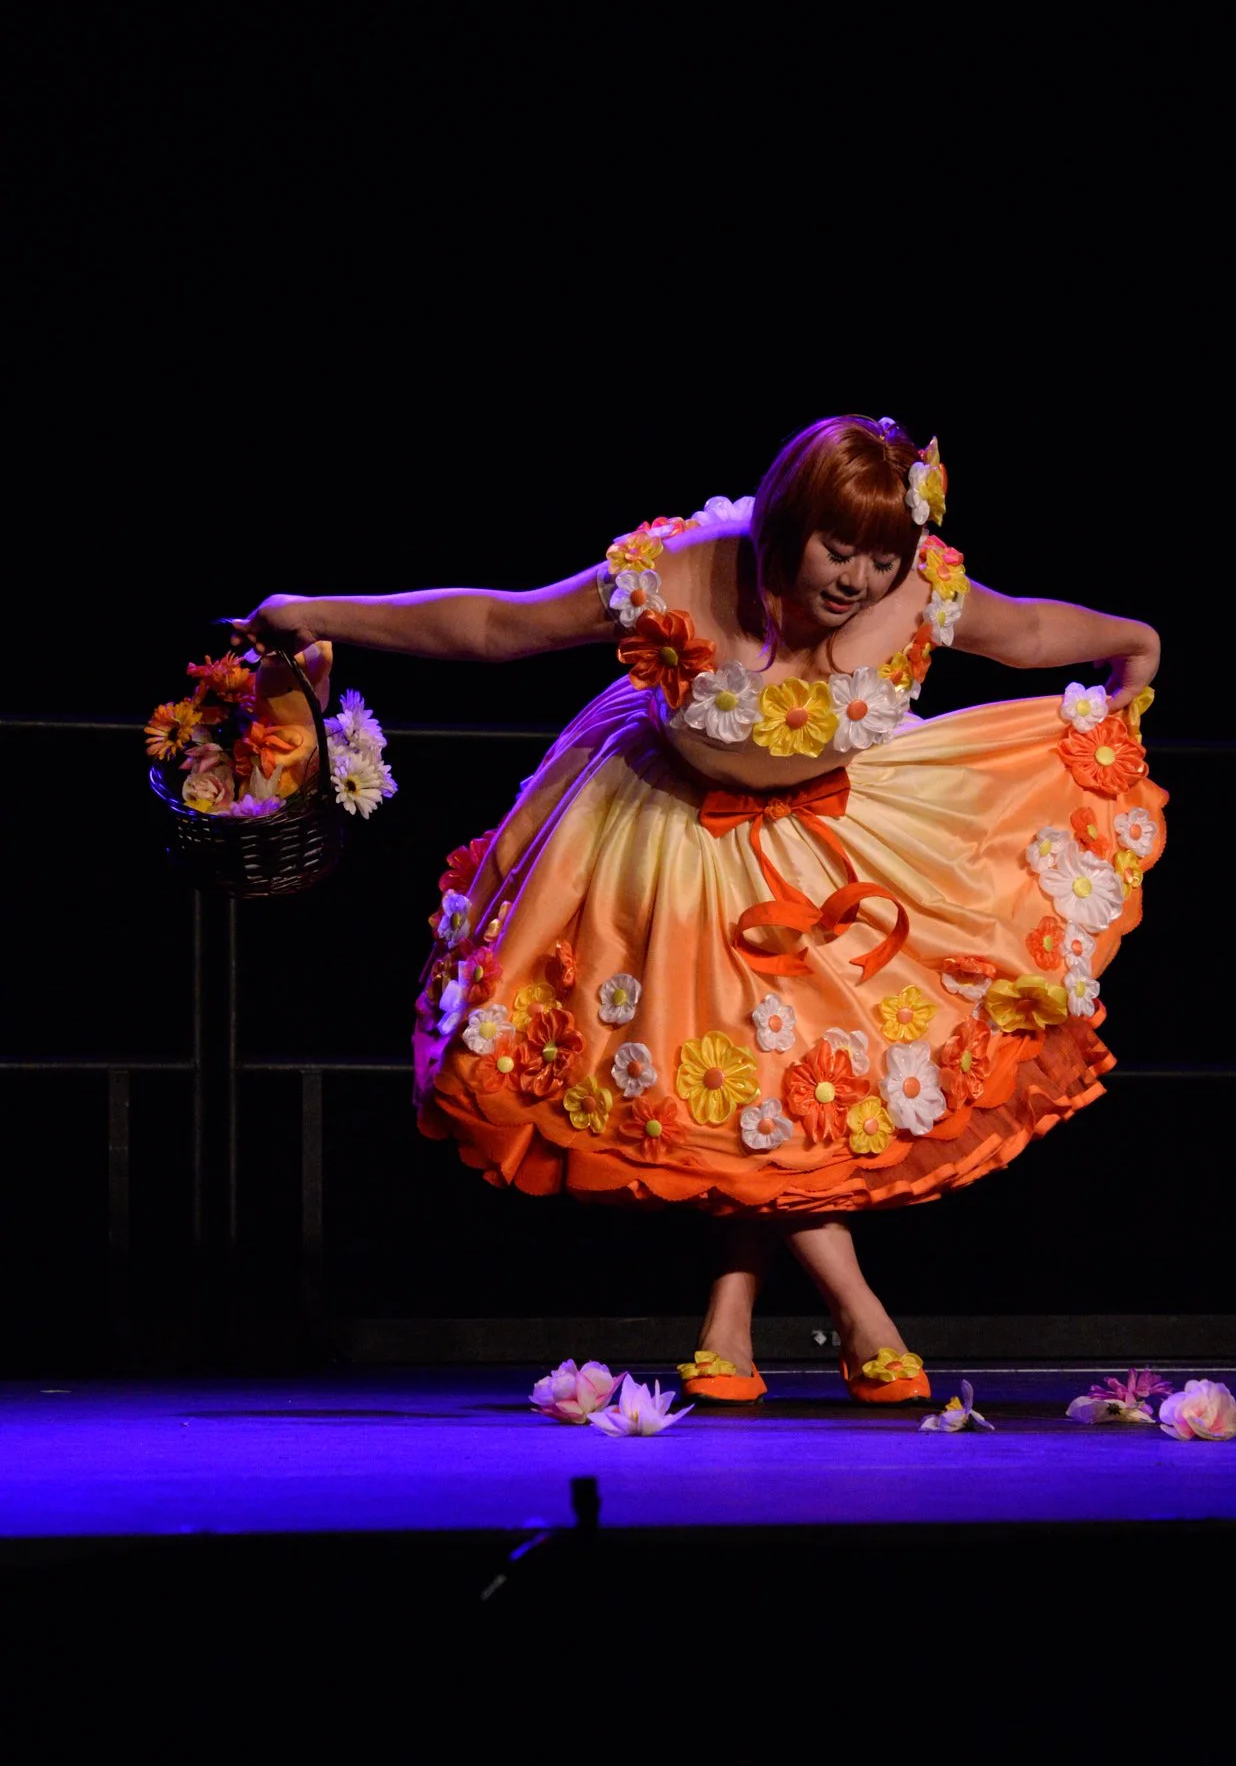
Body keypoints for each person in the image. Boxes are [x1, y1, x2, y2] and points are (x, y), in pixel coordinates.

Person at [230, 416, 1166, 1405]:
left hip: (834, 835)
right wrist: (315, 607)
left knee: (778, 1085)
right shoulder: (677, 574)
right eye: (834, 549)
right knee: (748, 1076)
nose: (853, 578)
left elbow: (1017, 630)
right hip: (668, 831)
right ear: (783, 525)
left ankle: (732, 1317)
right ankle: (856, 1313)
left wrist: (1128, 641)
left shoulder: (916, 593)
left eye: (878, 559)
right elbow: (500, 625)